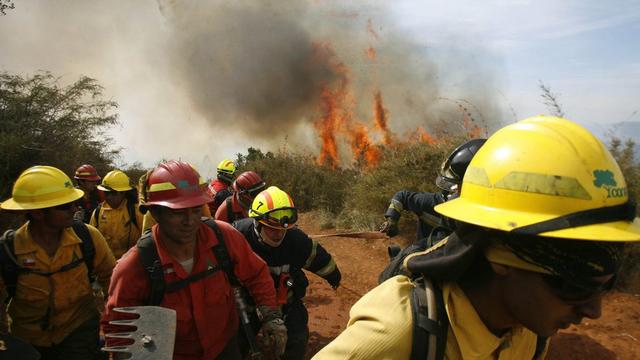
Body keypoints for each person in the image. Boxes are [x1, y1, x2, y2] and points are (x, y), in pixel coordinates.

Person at [312, 116, 640, 360]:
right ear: (502, 256)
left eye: (604, 285)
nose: (595, 310)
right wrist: (391, 220)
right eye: (575, 283)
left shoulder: (530, 330)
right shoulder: (395, 337)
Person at [102, 160, 287, 360]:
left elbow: (256, 273)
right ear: (155, 212)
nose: (190, 221)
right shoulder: (134, 267)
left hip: (225, 348)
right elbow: (120, 333)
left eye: (196, 209)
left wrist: (271, 316)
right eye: (178, 212)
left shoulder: (224, 238)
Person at [0, 165, 116, 360]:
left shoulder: (87, 238)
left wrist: (113, 322)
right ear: (38, 213)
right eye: (64, 206)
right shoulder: (8, 251)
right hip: (28, 342)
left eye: (74, 202)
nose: (74, 209)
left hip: (79, 334)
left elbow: (112, 282)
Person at [233, 186, 342, 360]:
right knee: (236, 341)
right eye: (272, 228)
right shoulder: (238, 235)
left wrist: (334, 276)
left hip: (285, 299)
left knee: (297, 339)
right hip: (249, 302)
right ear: (257, 222)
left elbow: (319, 258)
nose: (279, 234)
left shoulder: (295, 239)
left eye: (283, 229)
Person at [379, 138, 486, 246]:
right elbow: (402, 196)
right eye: (455, 188)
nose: (454, 194)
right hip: (423, 257)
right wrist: (391, 221)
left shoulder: (490, 218)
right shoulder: (435, 202)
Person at [90, 170, 143, 260]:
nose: (109, 197)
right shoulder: (98, 212)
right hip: (106, 267)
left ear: (123, 193)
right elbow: (92, 240)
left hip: (132, 265)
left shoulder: (136, 211)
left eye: (113, 193)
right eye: (106, 193)